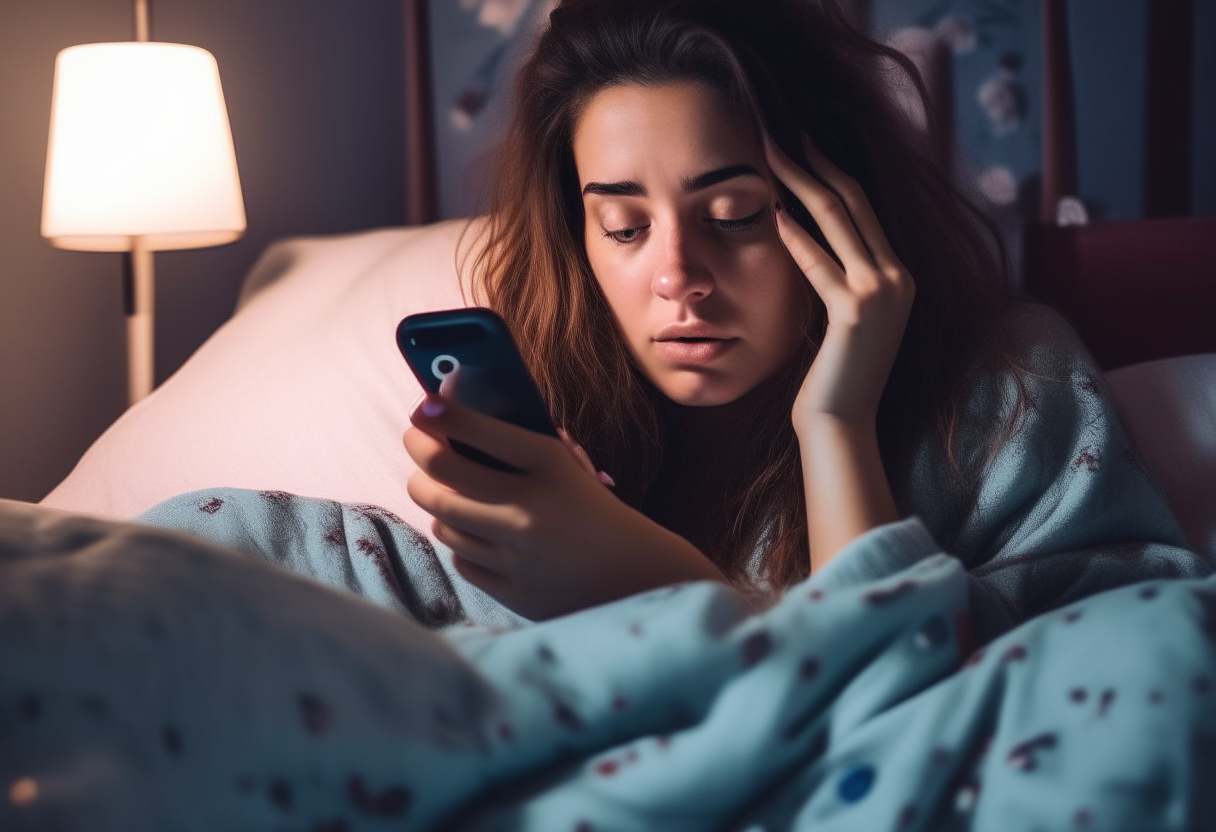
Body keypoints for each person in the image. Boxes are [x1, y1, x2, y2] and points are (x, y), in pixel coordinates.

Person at [398, 0, 1206, 626]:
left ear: (836, 208)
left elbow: (1044, 677)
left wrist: (835, 422)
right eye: (626, 227)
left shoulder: (1009, 386)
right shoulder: (559, 400)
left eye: (735, 215)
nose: (678, 277)